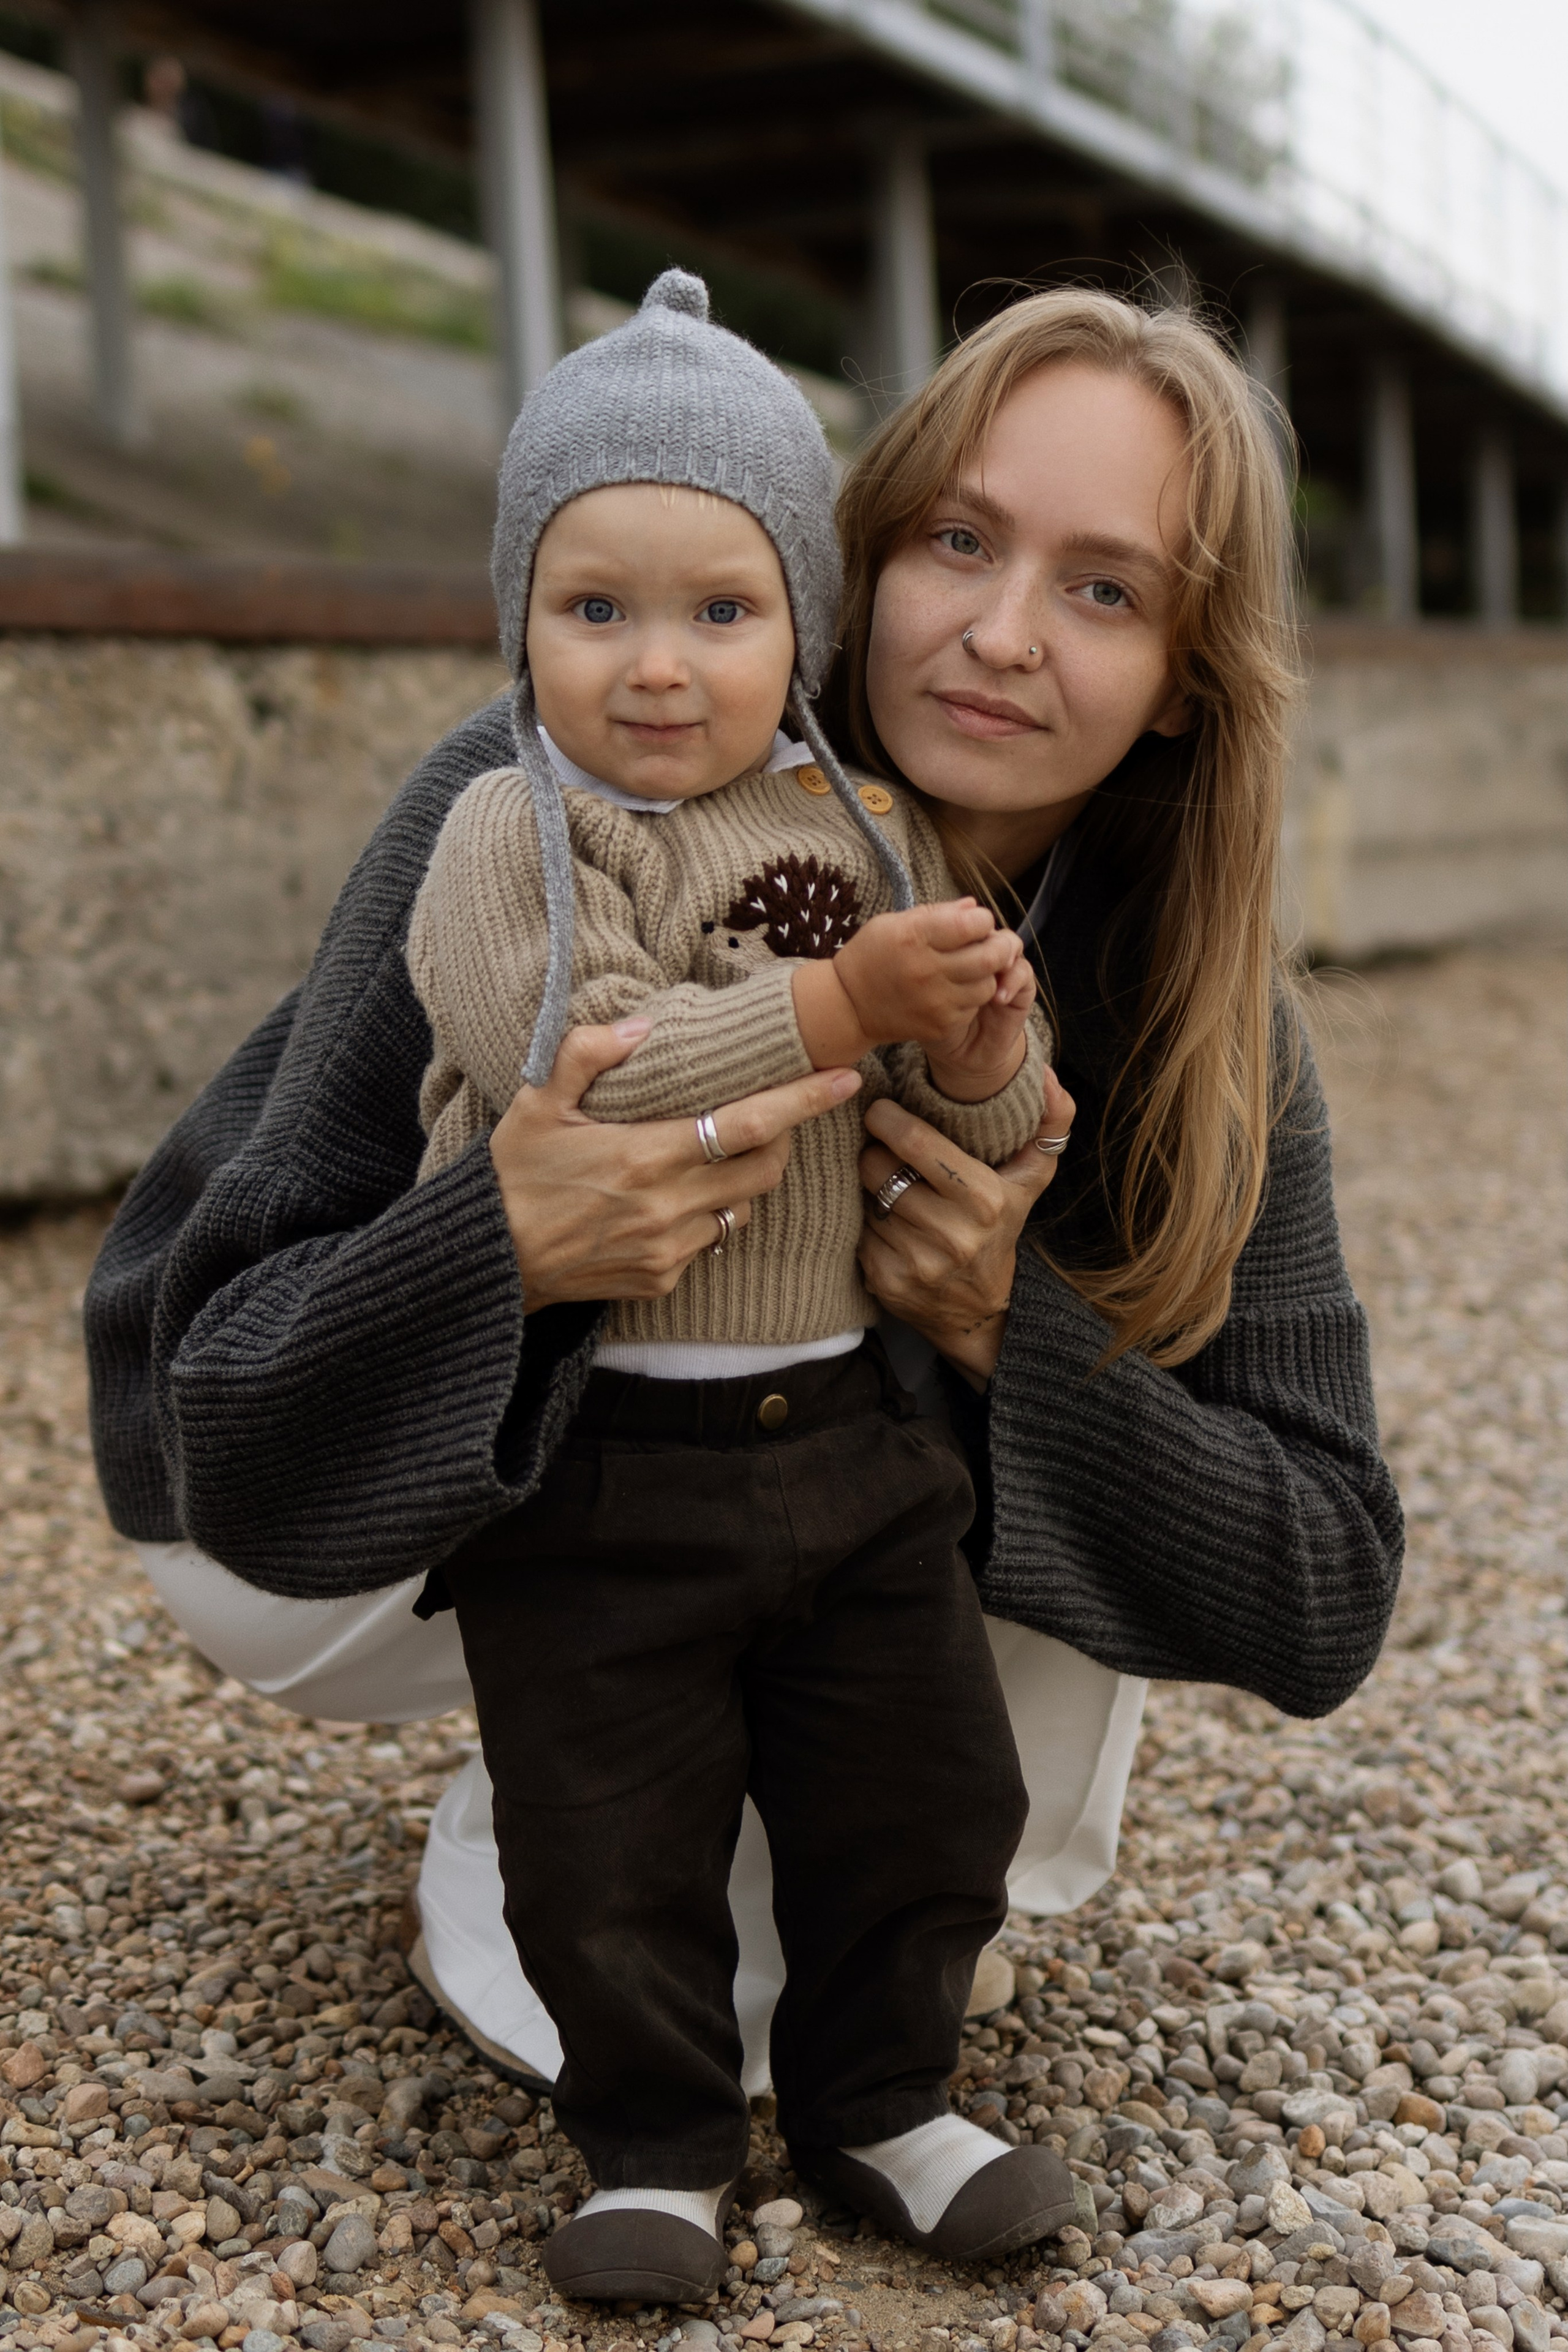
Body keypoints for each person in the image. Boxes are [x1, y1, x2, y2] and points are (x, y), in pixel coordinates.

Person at [85, 282, 1401, 2280]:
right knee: (635, 1902)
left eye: (1106, 589)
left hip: (813, 1485)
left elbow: (1322, 1583)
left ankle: (711, 1823)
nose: (1001, 630)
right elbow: (238, 1420)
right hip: (314, 1478)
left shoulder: (1199, 1014)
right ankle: (554, 1798)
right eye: (960, 539)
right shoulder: (551, 774)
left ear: (1189, 681)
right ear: (857, 556)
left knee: (986, 1704)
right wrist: (501, 1247)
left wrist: (999, 1332)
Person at [401, 272, 1066, 2298]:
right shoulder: (511, 833)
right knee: (609, 1823)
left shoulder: (856, 821)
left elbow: (1002, 1117)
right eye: (596, 610)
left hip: (851, 1434)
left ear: (805, 633)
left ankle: (889, 2095)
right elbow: (579, 1073)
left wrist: (975, 1050)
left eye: (722, 611)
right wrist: (844, 1007)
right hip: (602, 1453)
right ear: (521, 616)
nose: (660, 669)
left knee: (923, 1779)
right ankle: (658, 2139)